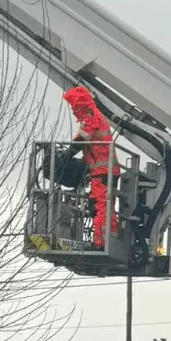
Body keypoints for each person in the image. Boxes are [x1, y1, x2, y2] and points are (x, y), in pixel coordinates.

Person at [59, 85, 120, 248]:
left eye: (74, 106)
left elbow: (83, 138)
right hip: (106, 170)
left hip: (102, 171)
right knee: (106, 207)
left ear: (81, 104)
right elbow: (93, 148)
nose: (73, 111)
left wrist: (68, 153)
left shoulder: (91, 117)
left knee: (99, 205)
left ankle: (100, 243)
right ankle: (109, 238)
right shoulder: (96, 117)